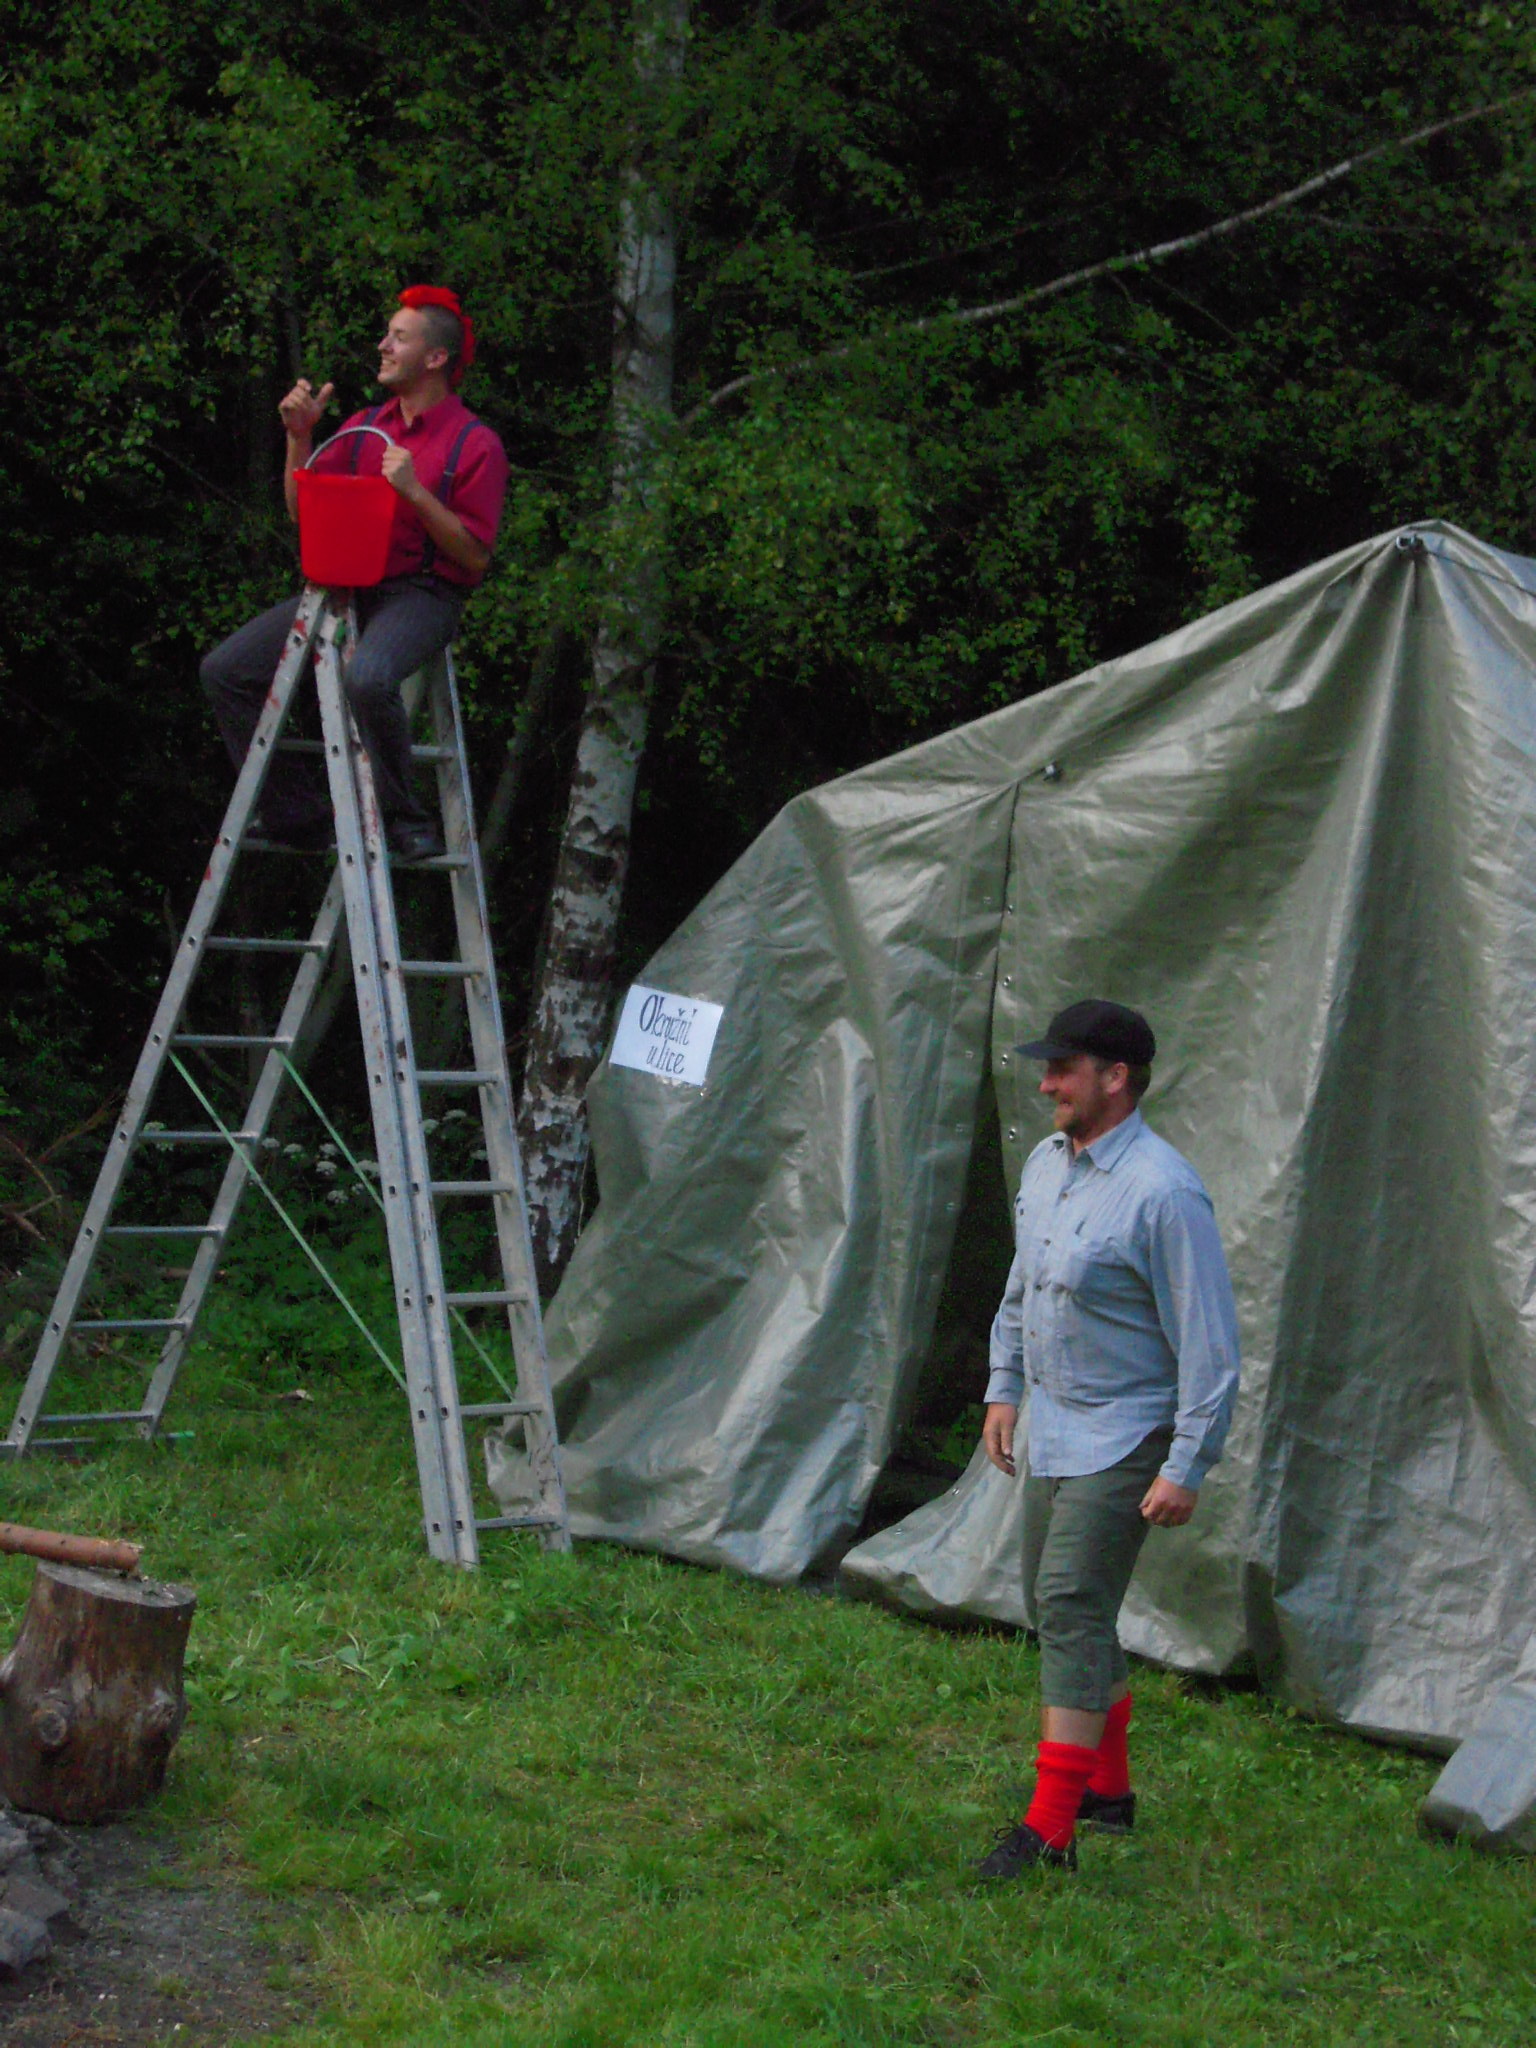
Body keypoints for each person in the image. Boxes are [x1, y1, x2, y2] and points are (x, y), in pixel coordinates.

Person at [974, 999, 1240, 1879]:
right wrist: (1004, 1386)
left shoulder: (1165, 1193)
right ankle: (1109, 1792)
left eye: (1063, 1069)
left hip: (1128, 1432)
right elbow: (1023, 1286)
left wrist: (1186, 1463)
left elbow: (1210, 1345)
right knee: (1056, 1605)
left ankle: (1051, 1830)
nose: (1046, 1083)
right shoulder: (1049, 1164)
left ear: (1116, 1078)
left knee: (1070, 1604)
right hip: (1054, 1427)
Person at [202, 285, 509, 863]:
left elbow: (473, 557)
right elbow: (303, 512)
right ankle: (299, 815)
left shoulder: (474, 443)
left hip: (423, 593)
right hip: (347, 589)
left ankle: (403, 819)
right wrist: (299, 438)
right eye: (387, 335)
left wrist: (414, 491)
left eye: (398, 337)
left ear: (435, 357)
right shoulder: (367, 425)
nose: (383, 345)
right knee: (227, 671)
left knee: (367, 678)